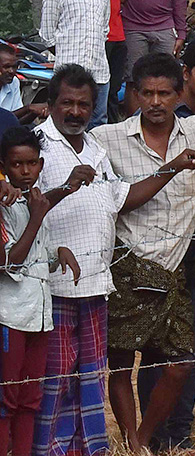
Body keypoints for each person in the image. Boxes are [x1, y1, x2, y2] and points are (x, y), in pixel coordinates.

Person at [93, 54, 195, 452]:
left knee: (179, 364)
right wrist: (169, 167)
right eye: (147, 93)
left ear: (178, 93)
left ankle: (144, 436)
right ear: (134, 94)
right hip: (125, 264)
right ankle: (132, 441)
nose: (155, 101)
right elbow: (116, 203)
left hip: (173, 268)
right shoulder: (107, 139)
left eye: (164, 93)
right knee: (120, 363)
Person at [33, 66, 195, 456]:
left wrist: (171, 168)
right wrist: (66, 186)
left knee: (91, 377)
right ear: (50, 105)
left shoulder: (94, 149)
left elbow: (120, 198)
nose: (75, 111)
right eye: (67, 103)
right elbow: (29, 207)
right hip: (54, 285)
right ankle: (49, 449)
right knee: (58, 377)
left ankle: (91, 448)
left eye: (83, 105)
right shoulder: (36, 147)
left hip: (97, 283)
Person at [133, 40, 195, 449]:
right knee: (155, 348)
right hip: (156, 254)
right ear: (185, 74)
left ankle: (180, 431)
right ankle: (152, 435)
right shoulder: (153, 124)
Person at [0, 127, 77, 456]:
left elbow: (35, 258)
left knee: (30, 397)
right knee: (6, 398)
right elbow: (10, 263)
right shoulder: (6, 205)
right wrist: (36, 217)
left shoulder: (36, 201)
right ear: (4, 165)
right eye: (17, 165)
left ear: (41, 164)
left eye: (31, 164)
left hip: (39, 316)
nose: (25, 171)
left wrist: (57, 251)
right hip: (9, 316)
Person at [40, 0, 111, 129]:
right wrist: (68, 56)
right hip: (68, 75)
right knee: (67, 123)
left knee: (98, 125)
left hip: (99, 72)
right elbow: (47, 35)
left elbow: (104, 28)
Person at [0, 45, 45, 124]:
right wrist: (27, 108)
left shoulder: (14, 82)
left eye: (14, 67)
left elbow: (15, 122)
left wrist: (34, 112)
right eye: (6, 67)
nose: (11, 71)